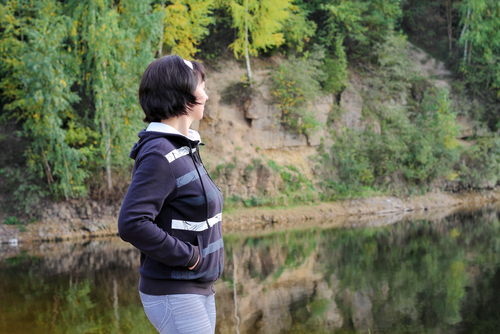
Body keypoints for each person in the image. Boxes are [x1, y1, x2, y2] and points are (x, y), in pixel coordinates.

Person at [118, 55, 224, 334]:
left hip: (198, 287)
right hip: (175, 290)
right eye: (202, 87)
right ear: (183, 95)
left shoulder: (183, 148)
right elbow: (132, 222)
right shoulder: (159, 153)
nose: (207, 95)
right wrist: (191, 257)